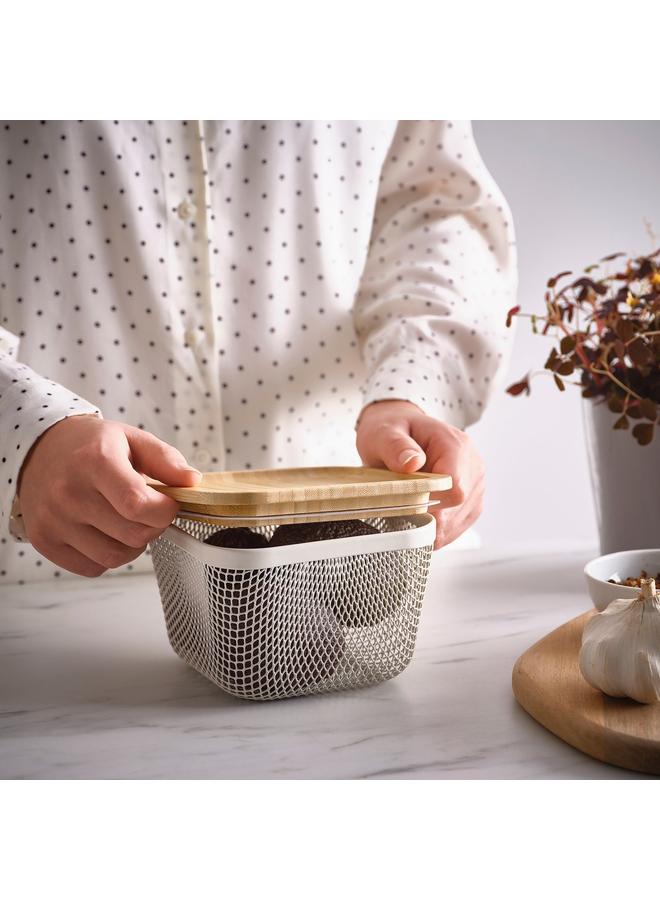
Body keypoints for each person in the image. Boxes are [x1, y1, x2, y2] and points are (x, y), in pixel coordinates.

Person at [0, 120, 516, 583]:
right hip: (45, 579)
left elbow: (434, 210)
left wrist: (410, 389)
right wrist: (24, 431)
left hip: (373, 565)